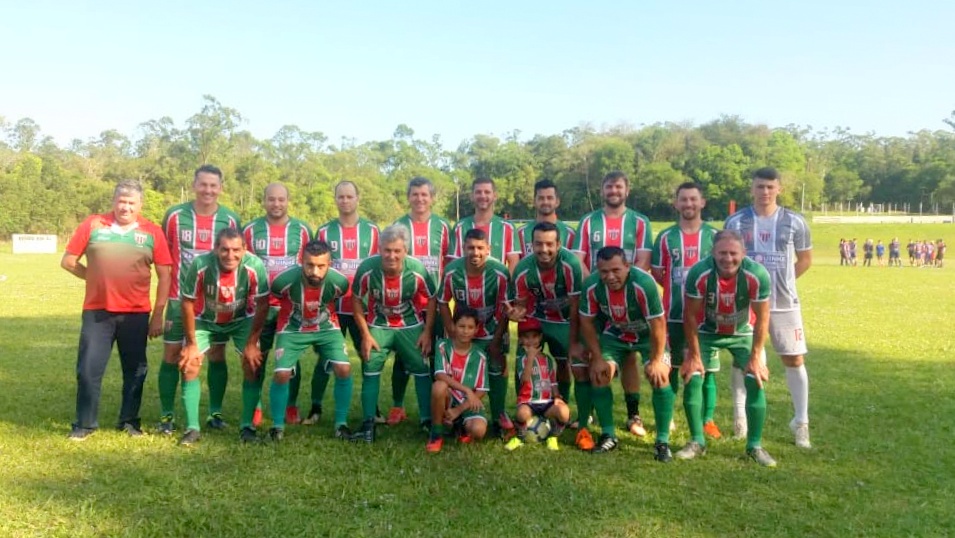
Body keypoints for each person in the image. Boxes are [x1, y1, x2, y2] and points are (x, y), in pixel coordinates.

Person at [61, 180, 173, 439]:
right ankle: (84, 424)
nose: (125, 207)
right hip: (97, 311)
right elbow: (68, 261)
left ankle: (130, 421)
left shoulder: (152, 232)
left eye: (131, 203)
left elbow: (165, 275)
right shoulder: (93, 224)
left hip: (135, 314)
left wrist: (158, 314)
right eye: (121, 201)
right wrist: (93, 277)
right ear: (113, 201)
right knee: (88, 369)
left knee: (135, 370)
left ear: (140, 205)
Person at [724, 167, 813, 448]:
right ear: (752, 188)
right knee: (744, 361)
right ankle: (741, 418)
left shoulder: (795, 222)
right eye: (760, 186)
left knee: (794, 359)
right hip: (744, 304)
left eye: (770, 187)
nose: (765, 192)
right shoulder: (736, 222)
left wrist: (782, 283)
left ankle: (801, 422)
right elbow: (726, 259)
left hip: (784, 304)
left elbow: (805, 259)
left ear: (779, 189)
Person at [678, 230, 776, 467]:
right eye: (722, 253)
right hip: (707, 331)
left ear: (743, 253)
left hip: (742, 332)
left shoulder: (757, 274)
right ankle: (696, 441)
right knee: (693, 376)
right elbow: (690, 316)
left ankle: (754, 446)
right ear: (712, 252)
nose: (728, 258)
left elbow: (763, 318)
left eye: (733, 253)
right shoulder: (699, 273)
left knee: (755, 377)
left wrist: (755, 357)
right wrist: (693, 354)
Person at [159, 165, 240, 434]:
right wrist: (163, 303)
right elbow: (166, 258)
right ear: (194, 184)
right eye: (203, 184)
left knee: (216, 354)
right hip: (178, 300)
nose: (208, 190)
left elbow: (234, 259)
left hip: (215, 303)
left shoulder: (230, 219)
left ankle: (214, 413)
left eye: (213, 185)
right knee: (172, 356)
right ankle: (166, 417)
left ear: (221, 188)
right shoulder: (174, 216)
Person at [573, 171, 653, 437]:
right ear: (602, 190)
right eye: (609, 187)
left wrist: (623, 290)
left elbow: (642, 261)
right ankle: (594, 411)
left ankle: (633, 415)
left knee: (628, 355)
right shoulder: (588, 222)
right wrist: (598, 288)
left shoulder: (640, 222)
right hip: (597, 298)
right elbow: (580, 261)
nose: (613, 191)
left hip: (628, 300)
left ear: (627, 190)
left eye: (618, 186)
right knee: (592, 355)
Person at [177, 228, 270, 445]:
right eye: (225, 249)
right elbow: (187, 302)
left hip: (240, 320)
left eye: (236, 250)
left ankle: (247, 427)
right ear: (216, 249)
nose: (230, 255)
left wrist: (252, 343)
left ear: (244, 249)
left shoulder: (254, 266)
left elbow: (263, 304)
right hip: (205, 320)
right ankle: (193, 428)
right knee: (190, 364)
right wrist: (191, 344)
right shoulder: (200, 265)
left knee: (252, 363)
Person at [577, 246, 668, 457]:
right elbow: (586, 322)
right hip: (616, 333)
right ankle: (608, 435)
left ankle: (662, 441)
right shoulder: (591, 285)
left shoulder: (643, 283)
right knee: (599, 374)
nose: (610, 276)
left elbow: (658, 323)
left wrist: (656, 360)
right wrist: (598, 358)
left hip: (647, 335)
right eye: (604, 271)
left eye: (616, 270)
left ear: (628, 266)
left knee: (660, 376)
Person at [350, 224, 437, 443]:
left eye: (397, 251)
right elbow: (356, 299)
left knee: (420, 366)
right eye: (387, 250)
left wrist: (427, 332)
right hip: (379, 324)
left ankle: (428, 421)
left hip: (409, 324)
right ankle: (368, 423)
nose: (391, 255)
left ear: (405, 251)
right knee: (370, 365)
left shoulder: (417, 269)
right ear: (379, 248)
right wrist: (365, 335)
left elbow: (433, 298)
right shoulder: (368, 268)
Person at [261, 239, 353, 441]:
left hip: (326, 327)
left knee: (344, 369)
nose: (315, 272)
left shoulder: (340, 282)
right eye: (309, 265)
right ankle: (277, 426)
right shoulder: (282, 280)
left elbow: (337, 297)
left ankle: (341, 424)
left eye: (321, 266)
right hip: (292, 328)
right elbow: (276, 296)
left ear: (330, 264)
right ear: (301, 261)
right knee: (282, 374)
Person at [508, 222, 587, 446]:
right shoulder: (524, 269)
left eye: (549, 244)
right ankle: (524, 412)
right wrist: (516, 313)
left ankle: (564, 408)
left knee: (567, 365)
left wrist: (573, 341)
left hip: (565, 320)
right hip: (538, 320)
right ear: (531, 244)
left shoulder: (570, 263)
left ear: (558, 244)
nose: (544, 249)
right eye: (539, 244)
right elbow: (521, 305)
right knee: (525, 362)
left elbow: (575, 305)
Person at [651, 182, 718, 437]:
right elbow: (658, 272)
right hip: (673, 314)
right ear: (676, 204)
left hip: (706, 316)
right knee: (672, 367)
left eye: (693, 199)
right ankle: (667, 418)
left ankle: (707, 419)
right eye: (683, 200)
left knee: (707, 368)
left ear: (702, 202)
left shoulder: (714, 236)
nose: (688, 204)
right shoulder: (666, 237)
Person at [242, 183, 312, 426]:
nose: (276, 204)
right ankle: (255, 407)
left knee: (290, 359)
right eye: (271, 199)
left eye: (281, 200)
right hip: (258, 305)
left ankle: (291, 406)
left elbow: (310, 265)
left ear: (288, 201)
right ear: (264, 201)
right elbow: (242, 265)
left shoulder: (302, 230)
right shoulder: (250, 230)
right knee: (255, 356)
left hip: (290, 306)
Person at [312, 181, 380, 426]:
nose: (345, 201)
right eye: (340, 197)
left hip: (363, 306)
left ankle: (374, 410)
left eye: (349, 196)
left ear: (358, 198)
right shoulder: (323, 232)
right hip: (332, 307)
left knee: (368, 356)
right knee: (325, 358)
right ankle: (315, 407)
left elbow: (378, 267)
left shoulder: (373, 231)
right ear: (335, 199)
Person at [387, 176, 452, 426]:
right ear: (408, 197)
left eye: (424, 194)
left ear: (432, 197)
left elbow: (449, 262)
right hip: (408, 303)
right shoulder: (399, 225)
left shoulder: (444, 227)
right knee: (404, 355)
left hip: (437, 300)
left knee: (438, 354)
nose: (420, 199)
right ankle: (398, 405)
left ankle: (439, 404)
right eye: (415, 194)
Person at [436, 228, 512, 438]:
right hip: (462, 331)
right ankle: (449, 417)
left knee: (497, 368)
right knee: (455, 373)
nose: (475, 252)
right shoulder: (452, 271)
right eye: (470, 247)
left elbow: (506, 308)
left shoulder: (500, 273)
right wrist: (451, 329)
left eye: (480, 248)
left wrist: (497, 342)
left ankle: (498, 416)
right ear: (464, 248)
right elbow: (442, 301)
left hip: (492, 329)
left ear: (488, 249)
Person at [426, 307, 489, 453]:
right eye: (461, 326)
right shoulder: (442, 345)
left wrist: (459, 410)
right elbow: (440, 375)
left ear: (476, 329)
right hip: (448, 399)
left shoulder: (480, 355)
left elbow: (481, 389)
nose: (465, 331)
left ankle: (460, 427)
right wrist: (467, 389)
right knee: (439, 386)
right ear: (453, 326)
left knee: (479, 431)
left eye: (470, 327)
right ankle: (436, 434)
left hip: (467, 403)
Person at [504, 317, 570, 451]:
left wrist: (557, 396)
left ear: (540, 338)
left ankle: (553, 436)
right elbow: (525, 379)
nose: (531, 341)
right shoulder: (522, 360)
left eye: (534, 337)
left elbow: (553, 382)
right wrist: (530, 358)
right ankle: (520, 437)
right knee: (522, 414)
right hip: (529, 401)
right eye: (526, 337)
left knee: (564, 412)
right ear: (521, 340)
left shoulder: (548, 360)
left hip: (546, 402)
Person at [448, 177, 521, 271]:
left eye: (487, 192)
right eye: (478, 192)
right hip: (466, 284)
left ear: (495, 196)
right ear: (472, 196)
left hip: (498, 285)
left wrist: (505, 284)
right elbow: (454, 264)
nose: (482, 196)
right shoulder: (460, 227)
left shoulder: (507, 228)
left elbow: (513, 263)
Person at [517, 179, 577, 259]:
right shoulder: (521, 233)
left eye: (550, 198)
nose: (545, 202)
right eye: (541, 198)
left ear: (557, 202)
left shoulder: (570, 234)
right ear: (534, 201)